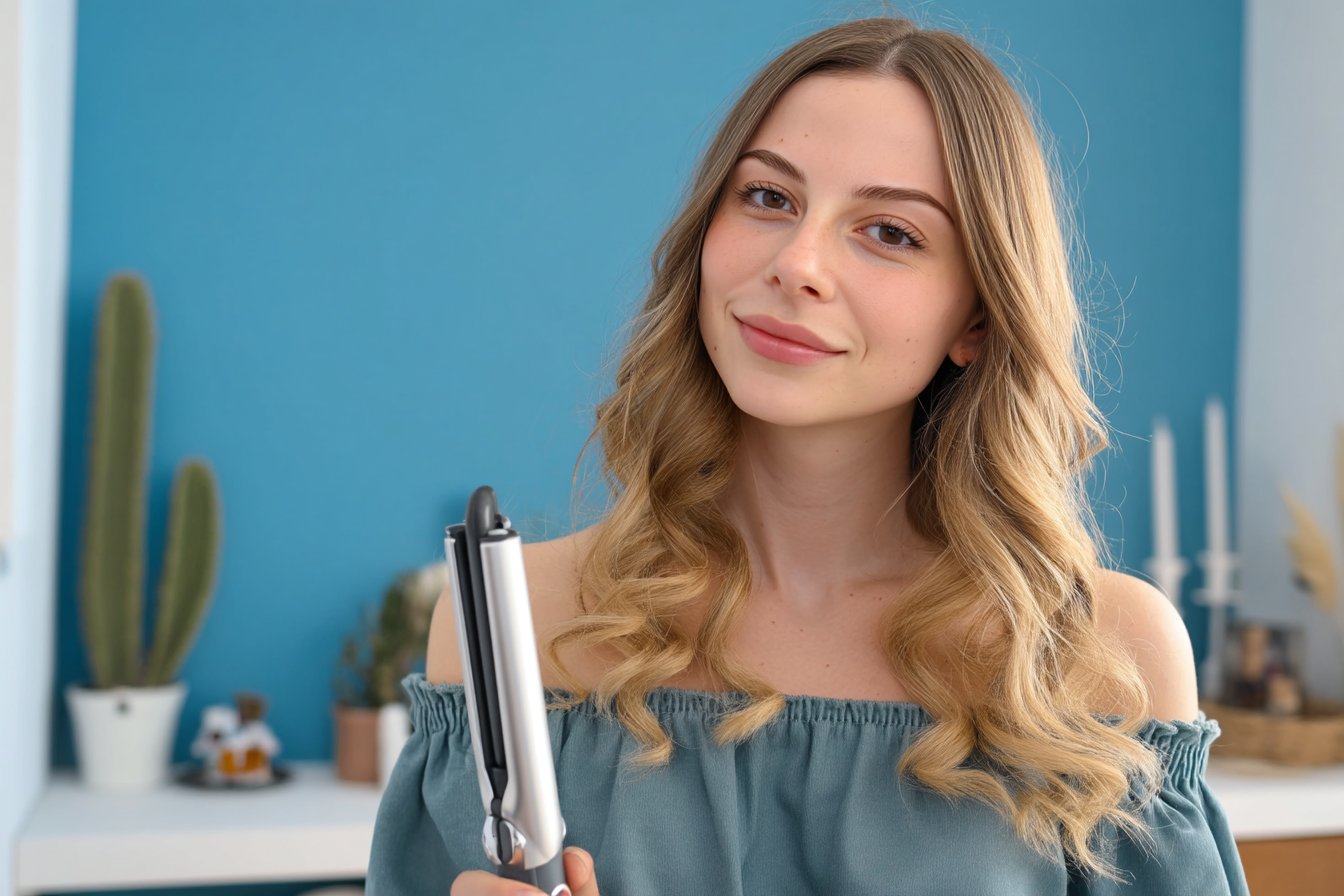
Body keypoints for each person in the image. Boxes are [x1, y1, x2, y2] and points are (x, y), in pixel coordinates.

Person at [367, 16, 1249, 896]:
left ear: (977, 318)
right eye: (768, 198)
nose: (799, 264)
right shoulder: (522, 625)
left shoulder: (1103, 654)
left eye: (892, 233)